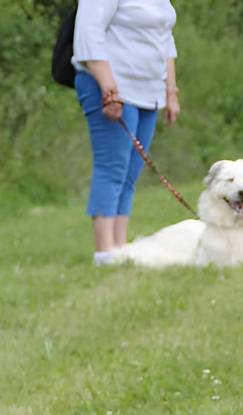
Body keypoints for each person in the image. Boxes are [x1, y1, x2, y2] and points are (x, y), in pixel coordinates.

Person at [72, 0, 180, 265]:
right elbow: (88, 34)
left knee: (132, 170)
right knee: (113, 167)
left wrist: (171, 91)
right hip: (113, 87)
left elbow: (165, 38)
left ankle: (120, 247)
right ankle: (104, 251)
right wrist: (109, 88)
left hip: (149, 90)